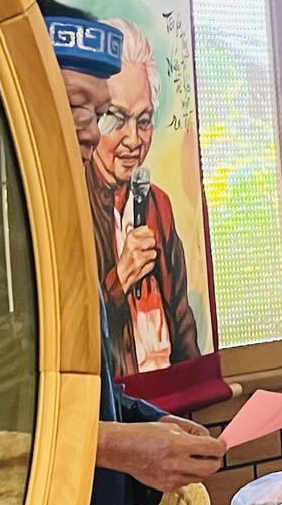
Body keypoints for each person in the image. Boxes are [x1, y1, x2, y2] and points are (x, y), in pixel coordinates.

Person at [40, 0, 221, 505]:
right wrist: (124, 448)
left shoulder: (131, 214)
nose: (95, 133)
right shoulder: (0, 250)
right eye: (79, 107)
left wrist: (153, 425)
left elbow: (89, 392)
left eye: (104, 113)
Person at [84, 21, 200, 375]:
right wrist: (118, 280)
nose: (133, 139)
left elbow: (181, 317)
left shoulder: (157, 204)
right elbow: (69, 332)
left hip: (169, 403)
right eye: (116, 119)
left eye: (144, 121)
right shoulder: (71, 206)